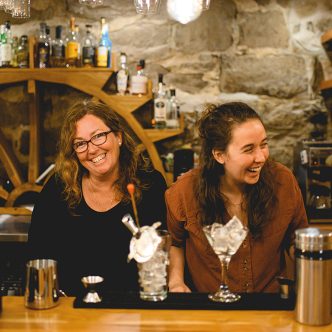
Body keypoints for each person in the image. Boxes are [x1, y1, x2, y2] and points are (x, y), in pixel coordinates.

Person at [165, 102, 308, 293]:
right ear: (219, 155)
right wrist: (176, 282)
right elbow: (176, 243)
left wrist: (311, 279)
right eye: (249, 149)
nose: (261, 157)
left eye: (264, 145)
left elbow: (297, 241)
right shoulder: (184, 192)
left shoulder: (283, 182)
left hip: (270, 308)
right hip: (209, 308)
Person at [27, 100, 167, 295]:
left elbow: (166, 250)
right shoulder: (57, 190)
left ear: (118, 137)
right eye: (80, 144)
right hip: (73, 313)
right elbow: (38, 258)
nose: (92, 149)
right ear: (74, 152)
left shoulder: (150, 184)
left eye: (99, 136)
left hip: (134, 311)